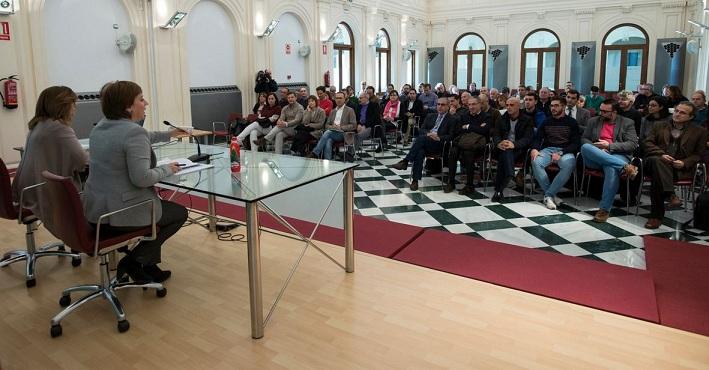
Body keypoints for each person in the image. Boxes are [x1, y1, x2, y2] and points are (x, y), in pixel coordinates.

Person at [82, 81, 188, 283]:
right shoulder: (133, 132)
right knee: (178, 213)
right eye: (141, 99)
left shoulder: (101, 128)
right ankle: (134, 261)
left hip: (97, 211)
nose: (146, 103)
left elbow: (143, 136)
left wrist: (170, 134)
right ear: (127, 106)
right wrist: (168, 168)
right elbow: (141, 178)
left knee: (160, 210)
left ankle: (147, 265)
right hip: (120, 213)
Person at [12, 86, 89, 229]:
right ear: (63, 106)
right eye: (73, 105)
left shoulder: (37, 125)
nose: (74, 110)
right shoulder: (59, 128)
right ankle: (86, 233)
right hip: (43, 192)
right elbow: (83, 162)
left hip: (27, 191)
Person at [642, 102, 708, 229]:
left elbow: (698, 154)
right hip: (653, 161)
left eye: (682, 113)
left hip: (678, 168)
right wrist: (661, 154)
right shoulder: (660, 125)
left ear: (691, 116)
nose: (677, 114)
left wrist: (684, 163)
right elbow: (647, 143)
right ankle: (670, 193)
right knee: (658, 161)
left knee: (658, 178)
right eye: (676, 111)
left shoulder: (700, 131)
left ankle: (656, 217)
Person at [579, 99, 638, 222]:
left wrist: (609, 146)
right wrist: (598, 149)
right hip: (595, 156)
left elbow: (632, 144)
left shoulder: (627, 122)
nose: (601, 113)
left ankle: (604, 209)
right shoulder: (593, 121)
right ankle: (625, 167)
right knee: (585, 147)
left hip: (617, 154)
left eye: (605, 111)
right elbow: (584, 139)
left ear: (615, 112)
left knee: (611, 169)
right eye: (601, 110)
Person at [391, 97, 457, 191]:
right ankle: (415, 181)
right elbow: (421, 130)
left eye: (443, 105)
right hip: (426, 142)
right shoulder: (431, 116)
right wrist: (428, 134)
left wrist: (438, 137)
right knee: (420, 152)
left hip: (440, 145)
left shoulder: (452, 119)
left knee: (420, 139)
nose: (440, 107)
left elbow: (451, 136)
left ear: (448, 106)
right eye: (438, 104)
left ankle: (405, 161)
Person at [530, 97, 581, 210]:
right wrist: (534, 149)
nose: (553, 108)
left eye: (556, 105)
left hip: (565, 150)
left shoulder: (572, 122)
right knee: (536, 161)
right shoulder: (546, 121)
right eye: (552, 106)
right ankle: (552, 195)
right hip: (548, 149)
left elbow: (576, 143)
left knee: (568, 164)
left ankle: (548, 195)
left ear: (563, 107)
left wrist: (562, 152)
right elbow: (537, 138)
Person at [443, 96, 490, 195]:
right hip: (463, 142)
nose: (471, 107)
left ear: (480, 104)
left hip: (478, 145)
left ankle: (470, 185)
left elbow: (484, 131)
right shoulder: (464, 116)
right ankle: (451, 182)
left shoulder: (486, 116)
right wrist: (476, 128)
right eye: (469, 104)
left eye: (474, 104)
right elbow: (459, 130)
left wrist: (468, 126)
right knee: (453, 151)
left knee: (468, 152)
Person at [491, 97, 534, 202]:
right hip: (502, 148)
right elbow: (496, 134)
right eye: (507, 105)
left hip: (519, 150)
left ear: (518, 106)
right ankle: (509, 174)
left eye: (512, 105)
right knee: (506, 152)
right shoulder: (502, 118)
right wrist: (499, 143)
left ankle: (498, 190)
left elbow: (527, 138)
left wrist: (514, 144)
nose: (508, 107)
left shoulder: (527, 119)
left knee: (506, 154)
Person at [307, 92, 357, 160]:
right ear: (335, 99)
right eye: (337, 98)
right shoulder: (333, 111)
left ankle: (315, 153)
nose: (338, 100)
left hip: (344, 133)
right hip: (332, 132)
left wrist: (340, 127)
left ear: (344, 99)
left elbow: (354, 125)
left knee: (327, 133)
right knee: (328, 140)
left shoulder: (350, 110)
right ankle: (328, 162)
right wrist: (333, 127)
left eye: (340, 98)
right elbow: (327, 125)